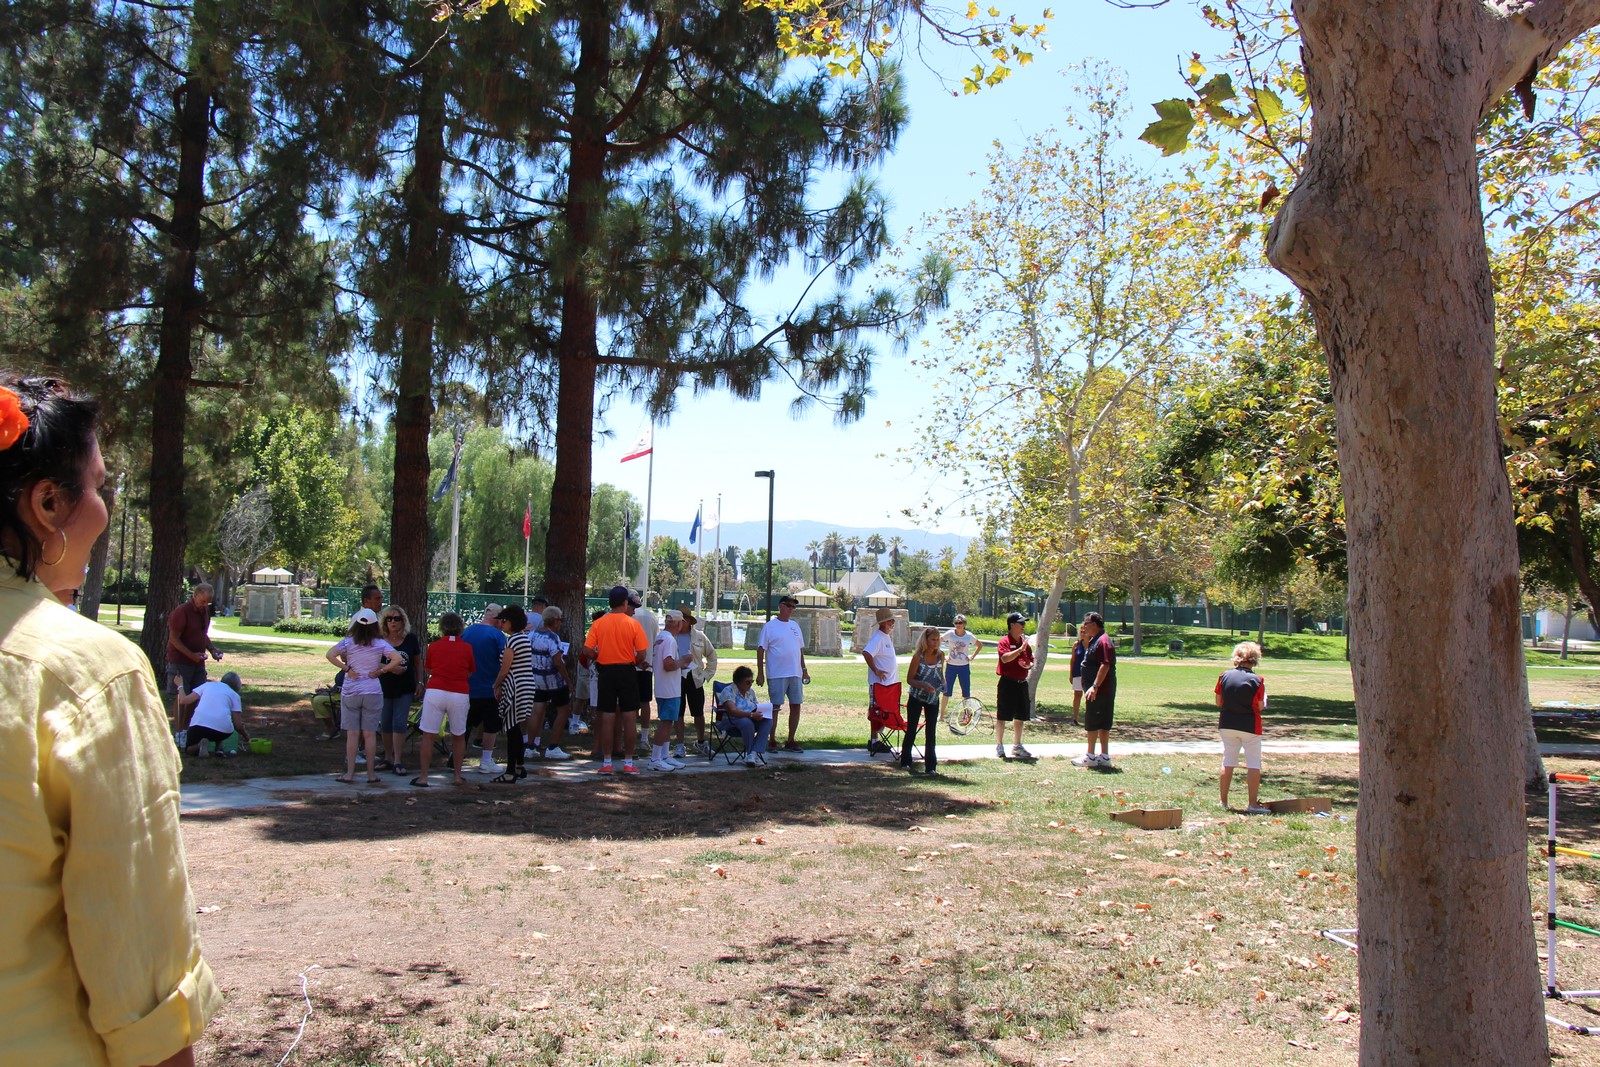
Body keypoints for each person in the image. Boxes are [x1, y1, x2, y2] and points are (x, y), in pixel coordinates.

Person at [0, 373, 220, 1065]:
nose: (104, 510)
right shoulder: (89, 670)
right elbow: (138, 969)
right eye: (97, 488)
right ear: (47, 502)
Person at [327, 607, 404, 783]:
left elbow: (330, 654)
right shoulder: (380, 643)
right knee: (369, 734)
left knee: (352, 734)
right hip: (373, 690)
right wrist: (382, 670)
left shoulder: (348, 642)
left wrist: (347, 669)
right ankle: (371, 774)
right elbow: (398, 659)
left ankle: (349, 773)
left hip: (352, 690)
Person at [580, 585, 649, 774]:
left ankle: (607, 761)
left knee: (607, 716)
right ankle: (628, 762)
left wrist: (597, 657)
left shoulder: (599, 623)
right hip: (627, 670)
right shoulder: (632, 623)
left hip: (606, 671)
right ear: (625, 603)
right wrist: (634, 661)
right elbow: (642, 653)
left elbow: (586, 650)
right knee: (629, 716)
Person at [414, 611, 475, 787]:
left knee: (428, 734)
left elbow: (429, 669)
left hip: (436, 691)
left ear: (442, 628)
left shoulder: (434, 646)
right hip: (459, 692)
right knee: (458, 735)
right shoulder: (467, 647)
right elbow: (470, 671)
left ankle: (424, 777)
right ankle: (457, 776)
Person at [1216, 640, 1270, 813]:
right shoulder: (1258, 680)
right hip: (1250, 725)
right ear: (1254, 659)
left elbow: (1219, 701)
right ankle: (1252, 803)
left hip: (1227, 723)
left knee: (1228, 760)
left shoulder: (1224, 676)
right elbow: (1260, 706)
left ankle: (1223, 801)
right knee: (1253, 763)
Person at [757, 593, 811, 751]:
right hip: (777, 673)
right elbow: (761, 650)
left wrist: (804, 670)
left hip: (795, 673)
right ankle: (772, 740)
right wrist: (760, 672)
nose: (791, 609)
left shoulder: (795, 626)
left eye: (793, 606)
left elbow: (800, 650)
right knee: (775, 707)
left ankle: (790, 740)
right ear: (780, 606)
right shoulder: (770, 626)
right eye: (788, 605)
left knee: (796, 705)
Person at [462, 604, 508, 775]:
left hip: (468, 687)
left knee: (464, 725)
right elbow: (505, 660)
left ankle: (456, 757)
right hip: (490, 687)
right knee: (491, 726)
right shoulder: (498, 636)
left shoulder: (467, 632)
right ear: (497, 619)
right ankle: (486, 760)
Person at [491, 604, 536, 782]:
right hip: (525, 685)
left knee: (511, 728)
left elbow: (505, 668)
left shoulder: (513, 640)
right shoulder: (522, 638)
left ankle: (510, 771)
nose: (501, 624)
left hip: (515, 686)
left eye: (504, 620)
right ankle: (519, 766)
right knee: (516, 728)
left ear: (512, 622)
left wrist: (496, 685)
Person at [165, 581, 221, 722]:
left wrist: (212, 649)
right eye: (202, 601)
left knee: (197, 695)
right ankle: (179, 730)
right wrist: (191, 655)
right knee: (181, 696)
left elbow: (203, 634)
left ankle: (189, 726)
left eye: (207, 602)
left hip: (198, 662)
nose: (205, 605)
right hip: (181, 661)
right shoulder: (182, 611)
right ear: (195, 596)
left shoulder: (205, 611)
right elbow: (173, 638)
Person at [378, 605, 422, 776]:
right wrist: (391, 667)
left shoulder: (410, 639)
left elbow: (417, 662)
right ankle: (387, 758)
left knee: (399, 722)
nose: (393, 622)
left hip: (405, 687)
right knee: (386, 722)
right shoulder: (380, 640)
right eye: (389, 619)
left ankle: (397, 760)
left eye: (396, 618)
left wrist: (420, 682)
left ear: (403, 621)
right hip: (384, 686)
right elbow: (372, 661)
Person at [525, 605, 573, 760]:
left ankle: (530, 745)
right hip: (553, 680)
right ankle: (553, 746)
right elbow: (558, 662)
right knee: (563, 710)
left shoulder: (531, 635)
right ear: (555, 621)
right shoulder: (553, 638)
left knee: (536, 711)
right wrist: (568, 680)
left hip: (536, 679)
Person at [1072, 611, 1117, 767]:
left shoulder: (1103, 641)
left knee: (1094, 722)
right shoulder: (1096, 640)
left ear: (1095, 624)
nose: (1084, 626)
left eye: (1086, 623)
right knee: (1102, 722)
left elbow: (1105, 665)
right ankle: (1104, 757)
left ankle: (1090, 756)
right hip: (1098, 690)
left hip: (1099, 691)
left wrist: (1095, 686)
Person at [648, 610, 689, 771]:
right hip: (669, 689)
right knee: (666, 723)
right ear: (678, 624)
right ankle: (655, 758)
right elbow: (669, 664)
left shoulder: (660, 638)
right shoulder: (670, 640)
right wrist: (683, 661)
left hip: (661, 686)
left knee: (668, 721)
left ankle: (664, 755)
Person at [177, 670, 250, 758]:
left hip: (198, 725)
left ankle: (199, 746)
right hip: (222, 731)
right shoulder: (234, 695)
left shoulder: (207, 685)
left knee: (189, 749)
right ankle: (219, 747)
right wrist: (246, 735)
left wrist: (180, 685)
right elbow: (238, 725)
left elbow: (184, 700)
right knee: (223, 720)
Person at [676, 608, 717, 757]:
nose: (680, 623)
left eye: (682, 620)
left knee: (698, 712)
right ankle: (680, 746)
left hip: (695, 678)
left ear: (687, 621)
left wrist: (706, 674)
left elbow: (712, 655)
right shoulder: (671, 636)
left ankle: (701, 743)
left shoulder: (699, 636)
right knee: (678, 713)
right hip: (676, 678)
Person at [904, 626, 944, 773]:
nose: (936, 642)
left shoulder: (941, 655)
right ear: (925, 640)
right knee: (911, 729)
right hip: (916, 697)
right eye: (933, 639)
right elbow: (909, 679)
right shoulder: (918, 657)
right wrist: (923, 684)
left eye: (938, 639)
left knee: (931, 731)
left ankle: (931, 766)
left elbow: (940, 675)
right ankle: (906, 761)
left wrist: (943, 685)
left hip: (933, 698)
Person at [995, 611, 1034, 760]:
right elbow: (1004, 659)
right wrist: (1019, 650)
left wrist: (1028, 665)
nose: (1023, 626)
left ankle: (1017, 745)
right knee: (1003, 715)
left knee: (1021, 716)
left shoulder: (1025, 643)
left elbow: (1030, 660)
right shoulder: (1004, 641)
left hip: (1021, 683)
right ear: (1012, 625)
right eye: (1021, 623)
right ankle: (999, 745)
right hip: (1007, 683)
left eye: (1024, 623)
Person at [716, 665, 773, 766]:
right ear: (739, 682)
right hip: (730, 720)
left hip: (750, 718)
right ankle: (751, 753)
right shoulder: (728, 691)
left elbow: (756, 706)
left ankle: (754, 753)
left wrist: (760, 713)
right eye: (747, 682)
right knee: (746, 722)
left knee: (768, 721)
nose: (750, 685)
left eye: (752, 681)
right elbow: (732, 711)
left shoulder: (750, 692)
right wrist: (751, 715)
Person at [861, 606, 900, 755]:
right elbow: (867, 653)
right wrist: (876, 670)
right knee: (877, 712)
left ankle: (875, 740)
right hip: (879, 685)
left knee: (884, 712)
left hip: (888, 684)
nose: (892, 623)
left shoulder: (886, 637)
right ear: (883, 623)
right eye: (890, 621)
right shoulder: (878, 638)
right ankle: (874, 741)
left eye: (892, 620)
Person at [940, 613, 982, 723]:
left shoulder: (968, 636)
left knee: (966, 693)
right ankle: (941, 716)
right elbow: (936, 641)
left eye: (960, 623)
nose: (958, 625)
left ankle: (966, 716)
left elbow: (979, 645)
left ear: (964, 624)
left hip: (964, 667)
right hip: (951, 667)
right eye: (956, 623)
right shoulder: (950, 634)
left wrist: (972, 656)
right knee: (946, 692)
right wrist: (944, 656)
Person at [629, 590, 656, 755]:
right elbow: (654, 639)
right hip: (647, 665)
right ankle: (644, 738)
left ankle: (628, 734)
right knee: (645, 702)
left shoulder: (628, 616)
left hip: (630, 664)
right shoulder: (651, 616)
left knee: (629, 703)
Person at [1069, 627, 1089, 727]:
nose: (1083, 633)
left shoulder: (1092, 645)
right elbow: (1073, 660)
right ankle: (1075, 718)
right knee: (1077, 695)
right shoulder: (1076, 645)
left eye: (1085, 632)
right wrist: (1071, 674)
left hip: (1089, 674)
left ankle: (1089, 718)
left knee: (1089, 696)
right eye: (1081, 632)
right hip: (1077, 673)